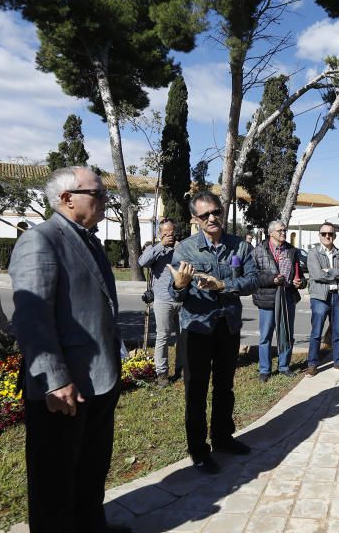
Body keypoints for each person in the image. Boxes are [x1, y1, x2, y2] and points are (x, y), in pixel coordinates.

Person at [9, 166, 127, 532]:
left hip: (99, 378)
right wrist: (55, 380)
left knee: (92, 468)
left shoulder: (89, 239)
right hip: (63, 386)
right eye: (98, 193)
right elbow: (32, 316)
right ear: (67, 199)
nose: (106, 199)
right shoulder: (41, 240)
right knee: (54, 482)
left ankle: (92, 525)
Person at [168, 191, 258, 474]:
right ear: (195, 219)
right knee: (196, 391)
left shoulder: (238, 246)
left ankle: (221, 437)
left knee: (224, 386)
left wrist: (224, 286)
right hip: (196, 328)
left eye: (216, 212)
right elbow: (176, 293)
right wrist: (181, 285)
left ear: (223, 212)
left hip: (227, 327)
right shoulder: (185, 250)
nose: (212, 218)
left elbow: (254, 279)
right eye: (205, 215)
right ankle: (198, 450)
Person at [252, 220, 303, 382]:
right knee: (266, 335)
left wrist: (301, 282)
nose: (283, 233)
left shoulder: (291, 250)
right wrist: (272, 279)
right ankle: (265, 370)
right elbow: (253, 275)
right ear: (270, 232)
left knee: (287, 333)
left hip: (288, 296)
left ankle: (284, 366)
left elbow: (299, 274)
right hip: (268, 297)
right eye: (280, 230)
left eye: (284, 230)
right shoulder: (258, 251)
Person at [138, 219, 182, 386]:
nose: (169, 236)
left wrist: (177, 247)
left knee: (184, 337)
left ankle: (181, 368)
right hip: (163, 299)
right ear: (159, 234)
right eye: (165, 233)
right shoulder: (154, 249)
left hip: (182, 298)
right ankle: (161, 373)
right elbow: (142, 262)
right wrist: (161, 245)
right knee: (162, 336)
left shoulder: (181, 247)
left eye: (171, 233)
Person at [306, 222, 339, 375]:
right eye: (324, 234)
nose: (327, 236)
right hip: (320, 297)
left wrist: (330, 271)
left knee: (337, 332)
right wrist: (338, 272)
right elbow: (317, 275)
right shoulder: (313, 253)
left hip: (337, 296)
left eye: (330, 234)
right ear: (319, 235)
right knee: (316, 333)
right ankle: (312, 364)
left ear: (335, 236)